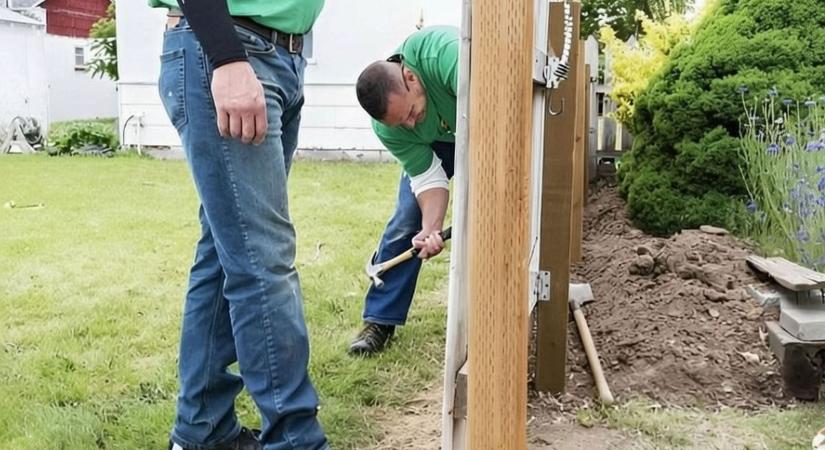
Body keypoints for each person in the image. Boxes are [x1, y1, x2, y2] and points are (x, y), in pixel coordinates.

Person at [149, 0, 330, 448]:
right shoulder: (229, 56)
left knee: (225, 251)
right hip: (230, 51)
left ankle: (201, 430)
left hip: (278, 58)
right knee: (262, 261)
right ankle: (296, 440)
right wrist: (227, 57)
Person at [349, 26, 459, 356]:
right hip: (439, 143)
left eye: (410, 113)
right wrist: (430, 229)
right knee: (406, 222)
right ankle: (379, 319)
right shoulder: (391, 127)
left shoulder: (445, 54)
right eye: (402, 123)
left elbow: (497, 104)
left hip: (482, 122)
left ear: (411, 78)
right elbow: (428, 179)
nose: (410, 124)